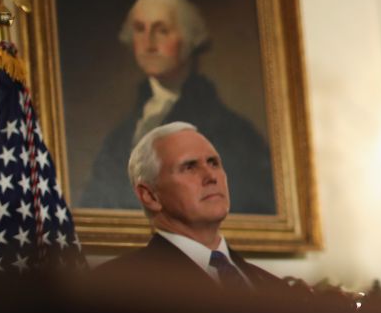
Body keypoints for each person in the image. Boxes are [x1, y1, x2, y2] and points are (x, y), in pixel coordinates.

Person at [80, 0, 275, 215]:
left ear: (190, 39)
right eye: (140, 29)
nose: (149, 42)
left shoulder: (234, 133)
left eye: (162, 30)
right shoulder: (119, 136)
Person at [95, 121, 285, 292]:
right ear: (150, 195)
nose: (211, 176)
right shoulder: (116, 286)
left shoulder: (276, 288)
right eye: (189, 167)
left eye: (213, 163)